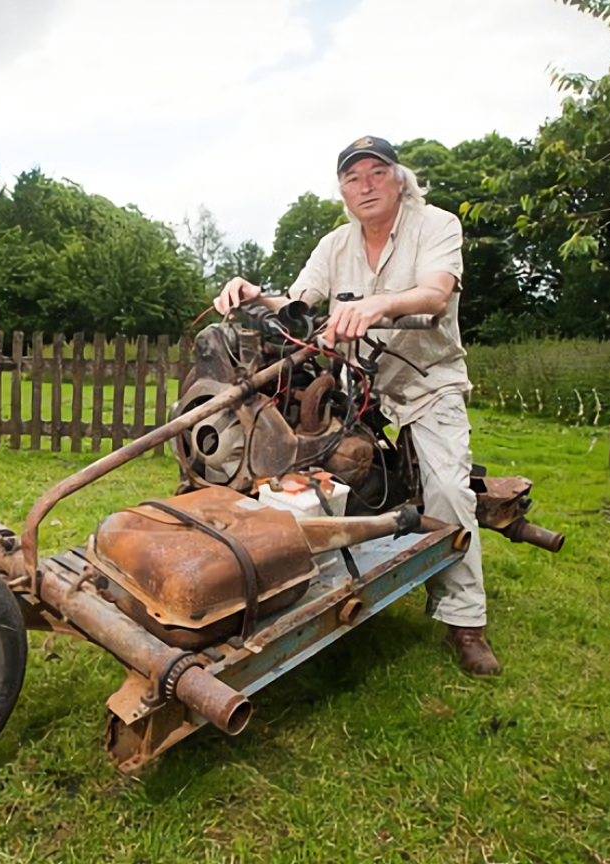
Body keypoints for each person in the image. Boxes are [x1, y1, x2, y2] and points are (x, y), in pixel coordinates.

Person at [212, 135, 500, 676]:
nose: (364, 185)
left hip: (425, 382)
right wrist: (254, 294)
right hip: (356, 385)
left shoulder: (436, 225)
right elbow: (300, 306)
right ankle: (300, 586)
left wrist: (378, 305)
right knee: (302, 471)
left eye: (376, 172)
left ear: (399, 178)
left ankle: (466, 623)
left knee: (446, 489)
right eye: (352, 177)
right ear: (342, 189)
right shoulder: (335, 244)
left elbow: (436, 294)